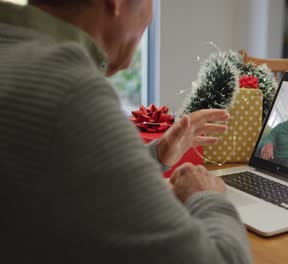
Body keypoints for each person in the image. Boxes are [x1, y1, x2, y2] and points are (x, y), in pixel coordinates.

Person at [0, 1, 251, 263]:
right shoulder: (70, 91)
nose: (150, 17)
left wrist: (157, 154)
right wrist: (205, 195)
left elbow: (69, 172)